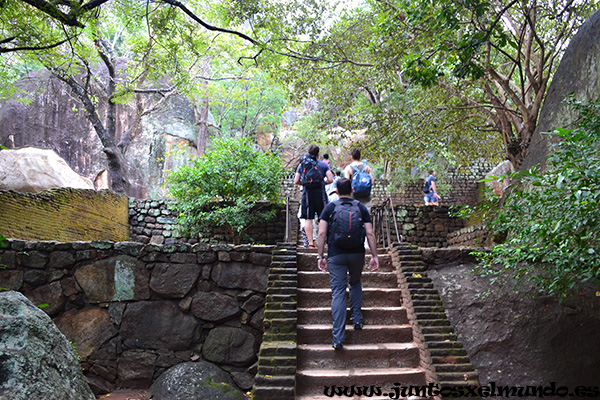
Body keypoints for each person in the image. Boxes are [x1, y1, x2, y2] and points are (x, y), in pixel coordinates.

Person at [316, 178, 379, 350]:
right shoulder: (361, 207)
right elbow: (370, 233)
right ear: (352, 189)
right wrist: (374, 255)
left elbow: (321, 234)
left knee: (338, 292)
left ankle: (338, 339)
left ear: (336, 191)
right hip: (357, 253)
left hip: (336, 254)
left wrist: (320, 256)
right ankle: (357, 319)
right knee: (356, 282)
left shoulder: (330, 208)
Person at [295, 145, 334, 248]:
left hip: (307, 194)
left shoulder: (302, 165)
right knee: (323, 218)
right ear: (318, 154)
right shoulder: (323, 165)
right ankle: (323, 242)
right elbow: (331, 179)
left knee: (308, 219)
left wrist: (304, 183)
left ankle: (311, 243)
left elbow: (296, 180)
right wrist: (322, 183)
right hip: (320, 194)